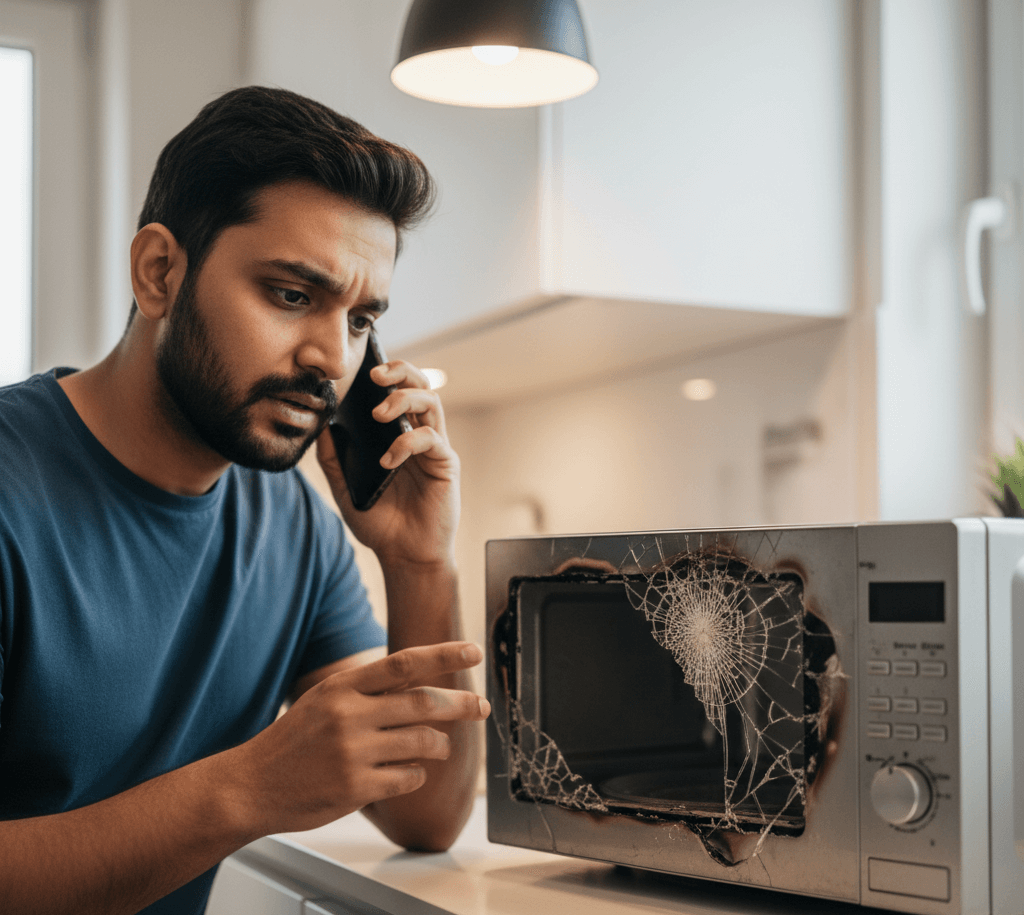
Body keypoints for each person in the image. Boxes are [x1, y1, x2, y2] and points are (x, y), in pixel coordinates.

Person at [0, 85, 490, 915]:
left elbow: (425, 813)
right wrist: (249, 787)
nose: (331, 360)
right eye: (292, 295)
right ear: (160, 272)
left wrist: (418, 562)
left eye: (361, 318)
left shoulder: (294, 526)